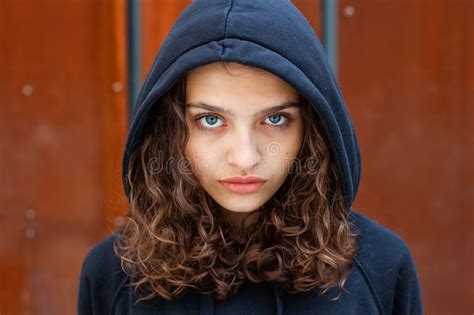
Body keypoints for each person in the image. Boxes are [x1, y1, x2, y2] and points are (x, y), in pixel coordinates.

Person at [77, 0, 423, 314]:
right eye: (210, 120)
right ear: (168, 131)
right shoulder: (114, 274)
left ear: (313, 129)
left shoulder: (382, 267)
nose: (245, 158)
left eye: (275, 119)